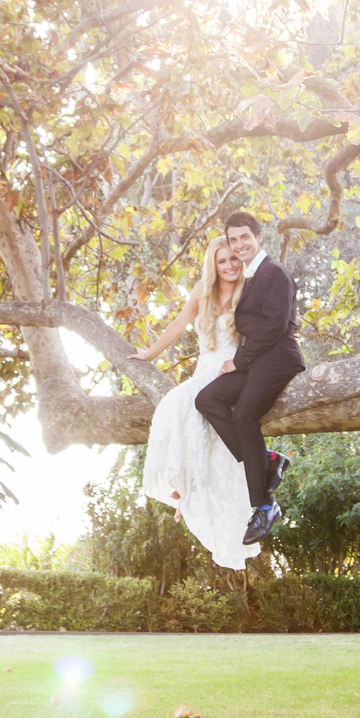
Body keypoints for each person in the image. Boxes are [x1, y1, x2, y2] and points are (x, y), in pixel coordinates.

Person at [129, 232, 260, 571]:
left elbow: (263, 334)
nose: (230, 265)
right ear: (213, 265)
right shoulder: (203, 292)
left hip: (233, 366)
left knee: (196, 407)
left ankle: (192, 488)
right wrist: (150, 353)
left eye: (234, 258)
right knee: (177, 406)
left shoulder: (251, 289)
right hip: (207, 365)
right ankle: (185, 488)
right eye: (222, 260)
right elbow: (178, 323)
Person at [195, 211, 303, 544]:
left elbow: (273, 327)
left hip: (277, 361)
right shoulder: (253, 277)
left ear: (258, 237)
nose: (239, 244)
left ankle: (264, 506)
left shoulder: (275, 272)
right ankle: (268, 459)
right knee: (207, 399)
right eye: (232, 239)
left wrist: (237, 361)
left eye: (244, 237)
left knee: (243, 416)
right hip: (257, 362)